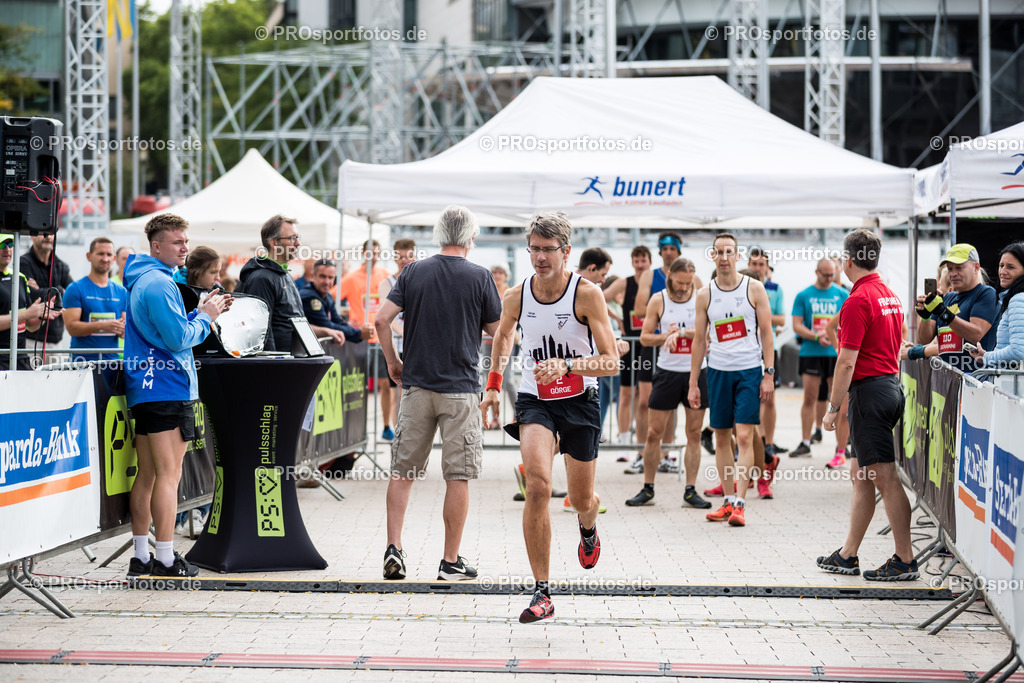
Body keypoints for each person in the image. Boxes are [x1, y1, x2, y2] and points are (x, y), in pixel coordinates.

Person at [481, 211, 619, 624]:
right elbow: (503, 334)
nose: (540, 258)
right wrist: (492, 383)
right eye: (534, 249)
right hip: (534, 399)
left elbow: (611, 362)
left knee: (580, 499)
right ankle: (542, 592)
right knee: (538, 487)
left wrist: (569, 366)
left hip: (579, 399)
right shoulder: (516, 296)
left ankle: (588, 527)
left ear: (566, 251)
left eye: (548, 250)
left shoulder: (587, 294)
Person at [375, 206, 501, 582]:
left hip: (416, 386)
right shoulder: (480, 277)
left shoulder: (414, 271)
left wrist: (393, 362)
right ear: (472, 238)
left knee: (403, 471)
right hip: (460, 391)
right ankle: (449, 561)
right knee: (457, 476)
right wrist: (494, 375)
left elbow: (381, 319)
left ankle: (393, 548)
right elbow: (500, 332)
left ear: (438, 234)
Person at [123, 214, 232, 578]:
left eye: (186, 240)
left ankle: (141, 556)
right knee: (168, 477)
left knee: (148, 476)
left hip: (148, 388)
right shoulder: (158, 283)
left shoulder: (146, 278)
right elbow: (177, 339)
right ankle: (166, 560)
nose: (185, 247)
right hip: (168, 388)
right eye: (177, 242)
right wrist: (206, 319)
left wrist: (198, 311)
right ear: (156, 246)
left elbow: (163, 330)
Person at [816, 229, 916, 580]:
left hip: (871, 393)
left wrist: (832, 408)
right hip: (884, 387)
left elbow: (846, 362)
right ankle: (848, 554)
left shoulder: (857, 300)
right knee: (861, 476)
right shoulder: (887, 293)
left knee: (885, 478)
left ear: (847, 261)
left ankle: (904, 559)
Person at [689, 233, 775, 528]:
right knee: (720, 436)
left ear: (737, 256)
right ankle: (727, 500)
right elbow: (699, 340)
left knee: (744, 437)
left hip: (749, 370)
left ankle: (740, 503)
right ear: (712, 256)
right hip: (718, 372)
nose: (724, 257)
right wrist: (692, 383)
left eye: (729, 252)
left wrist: (769, 373)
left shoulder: (755, 288)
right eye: (719, 252)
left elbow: (767, 333)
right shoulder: (705, 294)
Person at [626, 256, 711, 510]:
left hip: (696, 372)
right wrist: (666, 336)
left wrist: (682, 333)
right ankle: (648, 488)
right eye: (680, 282)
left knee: (693, 433)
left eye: (689, 283)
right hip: (667, 372)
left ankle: (690, 489)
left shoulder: (701, 297)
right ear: (670, 276)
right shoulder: (658, 299)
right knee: (654, 433)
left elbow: (708, 333)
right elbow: (645, 337)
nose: (684, 288)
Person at [237, 215, 347, 351]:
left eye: (298, 237)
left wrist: (324, 333)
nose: (298, 243)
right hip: (277, 365)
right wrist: (274, 364)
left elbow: (295, 322)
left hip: (292, 360)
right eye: (292, 238)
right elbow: (261, 330)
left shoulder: (284, 275)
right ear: (274, 243)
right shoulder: (261, 278)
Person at [629, 235, 689, 473]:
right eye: (664, 249)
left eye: (673, 249)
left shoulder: (689, 276)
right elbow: (639, 309)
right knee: (645, 401)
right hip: (653, 343)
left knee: (670, 404)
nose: (668, 253)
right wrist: (667, 310)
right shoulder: (650, 276)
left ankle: (665, 453)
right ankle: (642, 452)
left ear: (679, 252)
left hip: (677, 345)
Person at [789, 259, 850, 466]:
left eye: (832, 274)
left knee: (839, 401)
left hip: (836, 353)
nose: (829, 278)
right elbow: (796, 325)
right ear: (816, 272)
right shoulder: (804, 295)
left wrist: (835, 340)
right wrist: (816, 336)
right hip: (811, 351)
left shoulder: (842, 295)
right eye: (825, 274)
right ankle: (806, 442)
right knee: (810, 397)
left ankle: (840, 448)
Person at [903, 243, 997, 373]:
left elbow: (976, 334)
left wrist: (942, 312)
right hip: (946, 379)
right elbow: (924, 340)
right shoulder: (948, 298)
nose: (953, 274)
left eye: (959, 268)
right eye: (950, 269)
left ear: (976, 267)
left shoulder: (986, 293)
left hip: (974, 379)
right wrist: (925, 317)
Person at [339, 239, 394, 440]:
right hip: (359, 339)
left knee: (385, 384)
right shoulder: (352, 277)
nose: (374, 255)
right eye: (370, 252)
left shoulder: (385, 276)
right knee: (356, 385)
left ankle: (386, 426)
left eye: (377, 252)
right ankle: (353, 430)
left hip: (381, 338)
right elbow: (333, 298)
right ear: (363, 253)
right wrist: (349, 320)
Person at [747, 247, 786, 458]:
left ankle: (768, 442)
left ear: (767, 267)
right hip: (745, 349)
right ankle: (748, 441)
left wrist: (761, 315)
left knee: (769, 398)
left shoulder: (774, 288)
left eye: (761, 264)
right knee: (747, 398)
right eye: (754, 264)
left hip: (768, 348)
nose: (758, 268)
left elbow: (781, 319)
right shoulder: (740, 287)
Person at [62, 237, 128, 362]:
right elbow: (71, 328)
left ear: (114, 259)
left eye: (109, 254)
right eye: (100, 254)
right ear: (89, 256)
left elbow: (124, 327)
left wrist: (125, 330)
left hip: (112, 362)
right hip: (82, 363)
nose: (105, 259)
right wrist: (102, 325)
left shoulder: (121, 292)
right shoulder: (75, 289)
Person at [0, 233, 61, 370]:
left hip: (20, 356)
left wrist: (41, 316)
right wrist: (27, 314)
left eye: (10, 245)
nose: (7, 250)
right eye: (2, 245)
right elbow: (25, 316)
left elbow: (29, 326)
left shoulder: (19, 277)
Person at [378, 239, 418, 424]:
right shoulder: (387, 283)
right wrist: (403, 331)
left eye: (408, 256)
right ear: (395, 258)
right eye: (400, 257)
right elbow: (385, 319)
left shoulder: (422, 279)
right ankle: (397, 431)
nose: (404, 261)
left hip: (416, 346)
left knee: (412, 394)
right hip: (396, 345)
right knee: (396, 393)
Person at [972, 242, 1024, 370]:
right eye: (1001, 266)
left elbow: (1018, 352)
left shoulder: (1018, 300)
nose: (1003, 271)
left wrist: (986, 356)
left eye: (1010, 267)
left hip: (1012, 385)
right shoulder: (1014, 298)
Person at [21, 233, 72, 352]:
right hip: (31, 340)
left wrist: (39, 290)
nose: (47, 236)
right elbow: (28, 295)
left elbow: (72, 294)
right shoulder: (23, 263)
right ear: (31, 236)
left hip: (56, 341)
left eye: (50, 233)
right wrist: (59, 290)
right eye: (41, 232)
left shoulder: (61, 265)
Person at [301, 259, 373, 344]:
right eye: (322, 276)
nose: (327, 282)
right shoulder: (310, 296)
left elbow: (337, 321)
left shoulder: (326, 295)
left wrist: (357, 331)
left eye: (330, 277)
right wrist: (359, 333)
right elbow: (326, 325)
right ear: (313, 276)